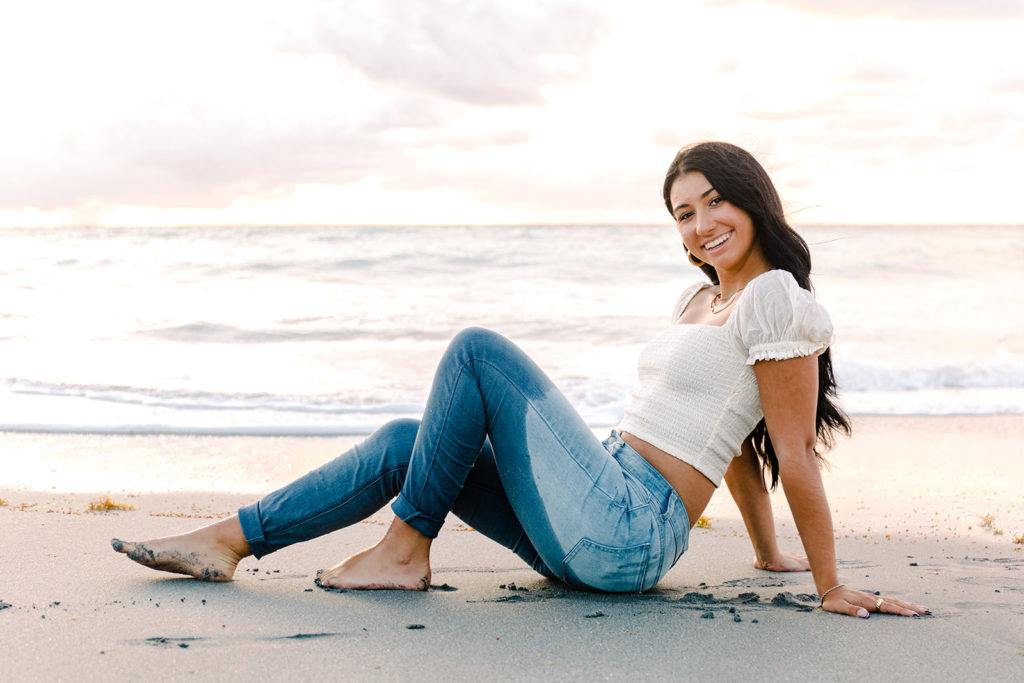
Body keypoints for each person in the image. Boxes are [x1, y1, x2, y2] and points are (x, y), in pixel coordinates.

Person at [112, 141, 928, 619]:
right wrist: (764, 551)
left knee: (476, 351)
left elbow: (791, 447)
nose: (701, 223)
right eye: (683, 212)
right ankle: (230, 540)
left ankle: (405, 548)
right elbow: (738, 443)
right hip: (600, 504)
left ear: (753, 203)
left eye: (715, 203)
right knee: (409, 440)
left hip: (628, 532)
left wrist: (828, 583)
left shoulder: (777, 299)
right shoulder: (702, 299)